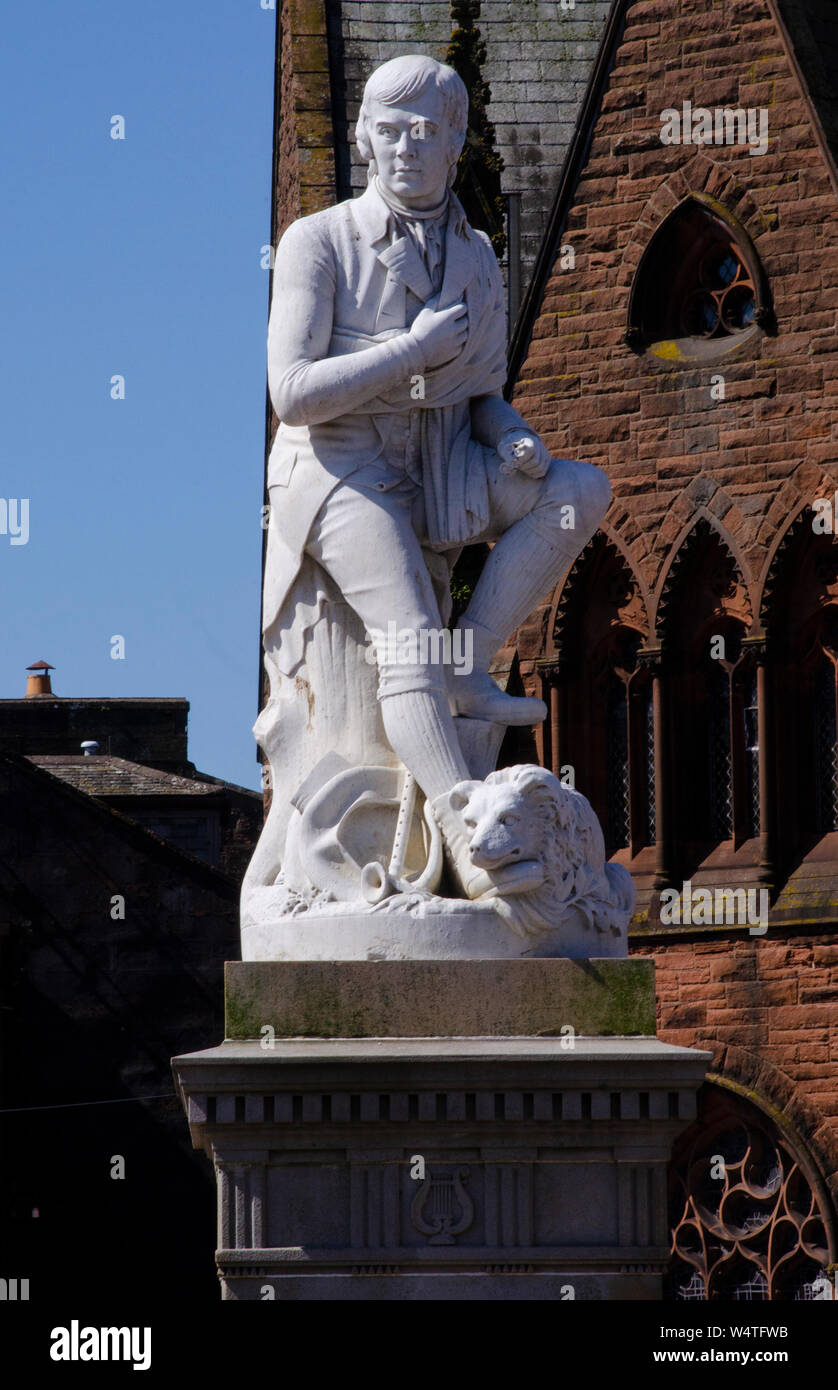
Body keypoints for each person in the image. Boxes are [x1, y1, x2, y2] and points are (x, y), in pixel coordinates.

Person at [259, 54, 610, 899]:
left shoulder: (476, 255)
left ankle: (471, 660)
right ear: (363, 140)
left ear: (457, 143)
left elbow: (483, 390)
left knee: (578, 491)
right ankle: (463, 840)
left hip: (443, 459)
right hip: (341, 469)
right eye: (389, 131)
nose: (406, 148)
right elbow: (293, 393)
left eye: (426, 133)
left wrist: (515, 436)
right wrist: (409, 353)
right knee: (409, 637)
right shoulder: (321, 242)